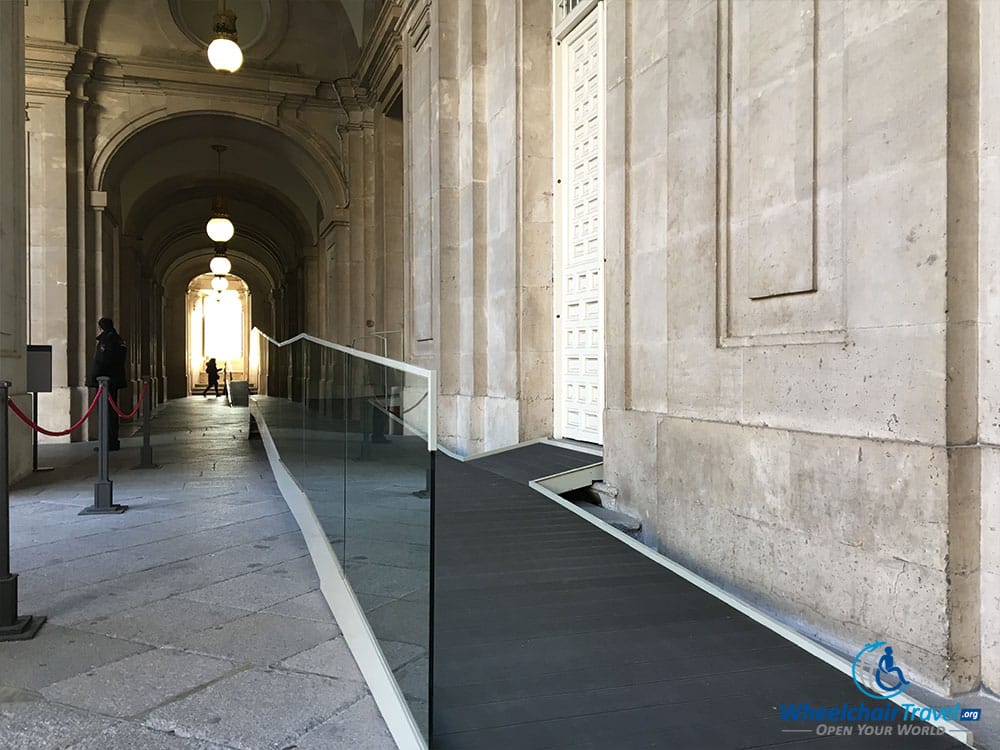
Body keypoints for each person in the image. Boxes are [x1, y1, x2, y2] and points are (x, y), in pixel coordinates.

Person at [86, 317, 127, 451]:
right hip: (113, 380)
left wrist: (96, 378)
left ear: (101, 327)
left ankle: (108, 442)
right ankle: (111, 440)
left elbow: (103, 361)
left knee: (106, 413)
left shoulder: (107, 340)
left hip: (105, 382)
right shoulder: (117, 339)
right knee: (111, 413)